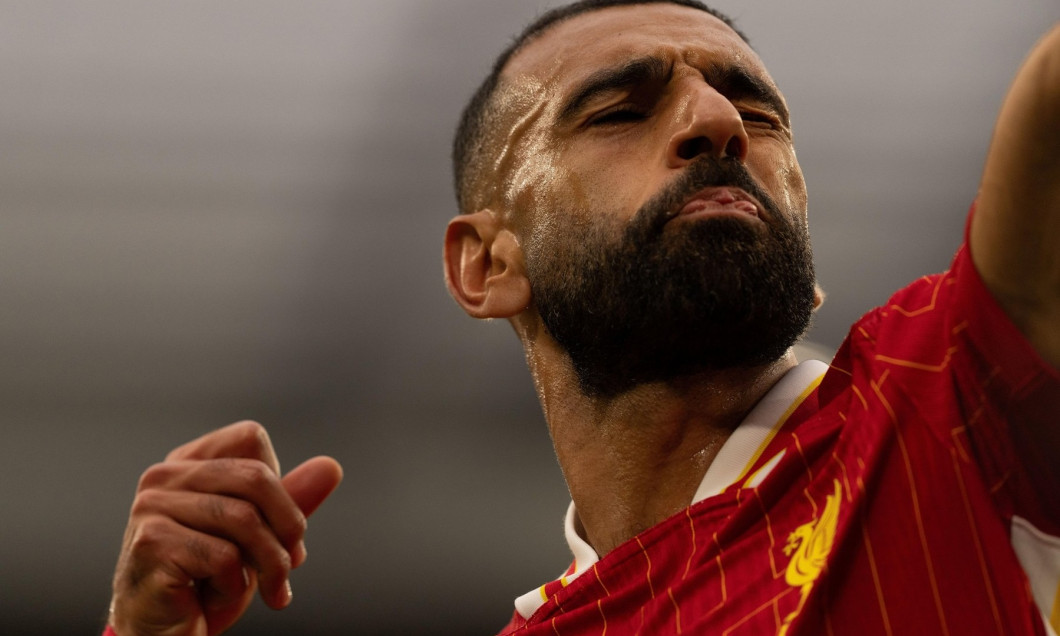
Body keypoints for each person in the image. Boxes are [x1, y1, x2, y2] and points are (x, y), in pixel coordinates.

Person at [103, 1, 1060, 634]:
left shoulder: (946, 400)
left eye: (756, 113)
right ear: (485, 265)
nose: (716, 120)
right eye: (617, 112)